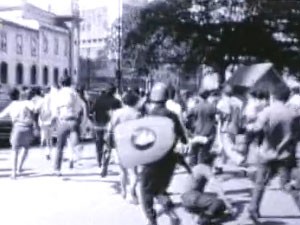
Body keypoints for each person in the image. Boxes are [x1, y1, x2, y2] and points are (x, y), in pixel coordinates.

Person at [140, 82, 189, 225]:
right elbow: (183, 137)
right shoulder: (172, 116)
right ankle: (171, 213)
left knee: (146, 190)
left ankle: (151, 219)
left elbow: (142, 139)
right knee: (160, 189)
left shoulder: (149, 117)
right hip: (169, 160)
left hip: (153, 159)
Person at [246, 84, 296, 222]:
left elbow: (256, 129)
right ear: (287, 97)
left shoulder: (267, 112)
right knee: (287, 184)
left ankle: (253, 208)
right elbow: (294, 135)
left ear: (273, 96)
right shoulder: (293, 113)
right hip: (284, 154)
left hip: (266, 152)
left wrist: (250, 127)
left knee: (260, 183)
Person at [107, 90, 141, 204]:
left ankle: (123, 192)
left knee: (122, 171)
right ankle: (132, 192)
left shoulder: (117, 113)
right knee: (133, 172)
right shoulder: (137, 114)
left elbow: (110, 128)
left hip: (119, 144)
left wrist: (109, 143)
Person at [0, 88, 36, 179]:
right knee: (25, 148)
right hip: (28, 128)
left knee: (14, 150)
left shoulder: (12, 105)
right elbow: (35, 109)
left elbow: (1, 115)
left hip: (17, 128)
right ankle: (20, 168)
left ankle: (14, 172)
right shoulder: (26, 103)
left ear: (9, 97)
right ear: (19, 95)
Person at [52, 74, 84, 176]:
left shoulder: (58, 94)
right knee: (74, 138)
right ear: (70, 82)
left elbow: (54, 109)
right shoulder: (74, 93)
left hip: (62, 120)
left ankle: (57, 169)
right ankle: (76, 149)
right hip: (73, 120)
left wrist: (56, 118)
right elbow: (80, 107)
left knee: (59, 146)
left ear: (60, 83)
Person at [92, 83, 121, 176]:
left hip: (98, 125)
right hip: (110, 126)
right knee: (108, 146)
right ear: (114, 91)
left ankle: (99, 163)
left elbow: (91, 111)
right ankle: (105, 163)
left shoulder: (98, 100)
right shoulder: (116, 101)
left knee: (99, 145)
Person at [186, 90, 217, 167]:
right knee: (203, 153)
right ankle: (201, 169)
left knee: (193, 153)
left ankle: (193, 169)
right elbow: (221, 115)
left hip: (197, 132)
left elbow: (187, 115)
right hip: (208, 133)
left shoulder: (196, 106)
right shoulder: (212, 106)